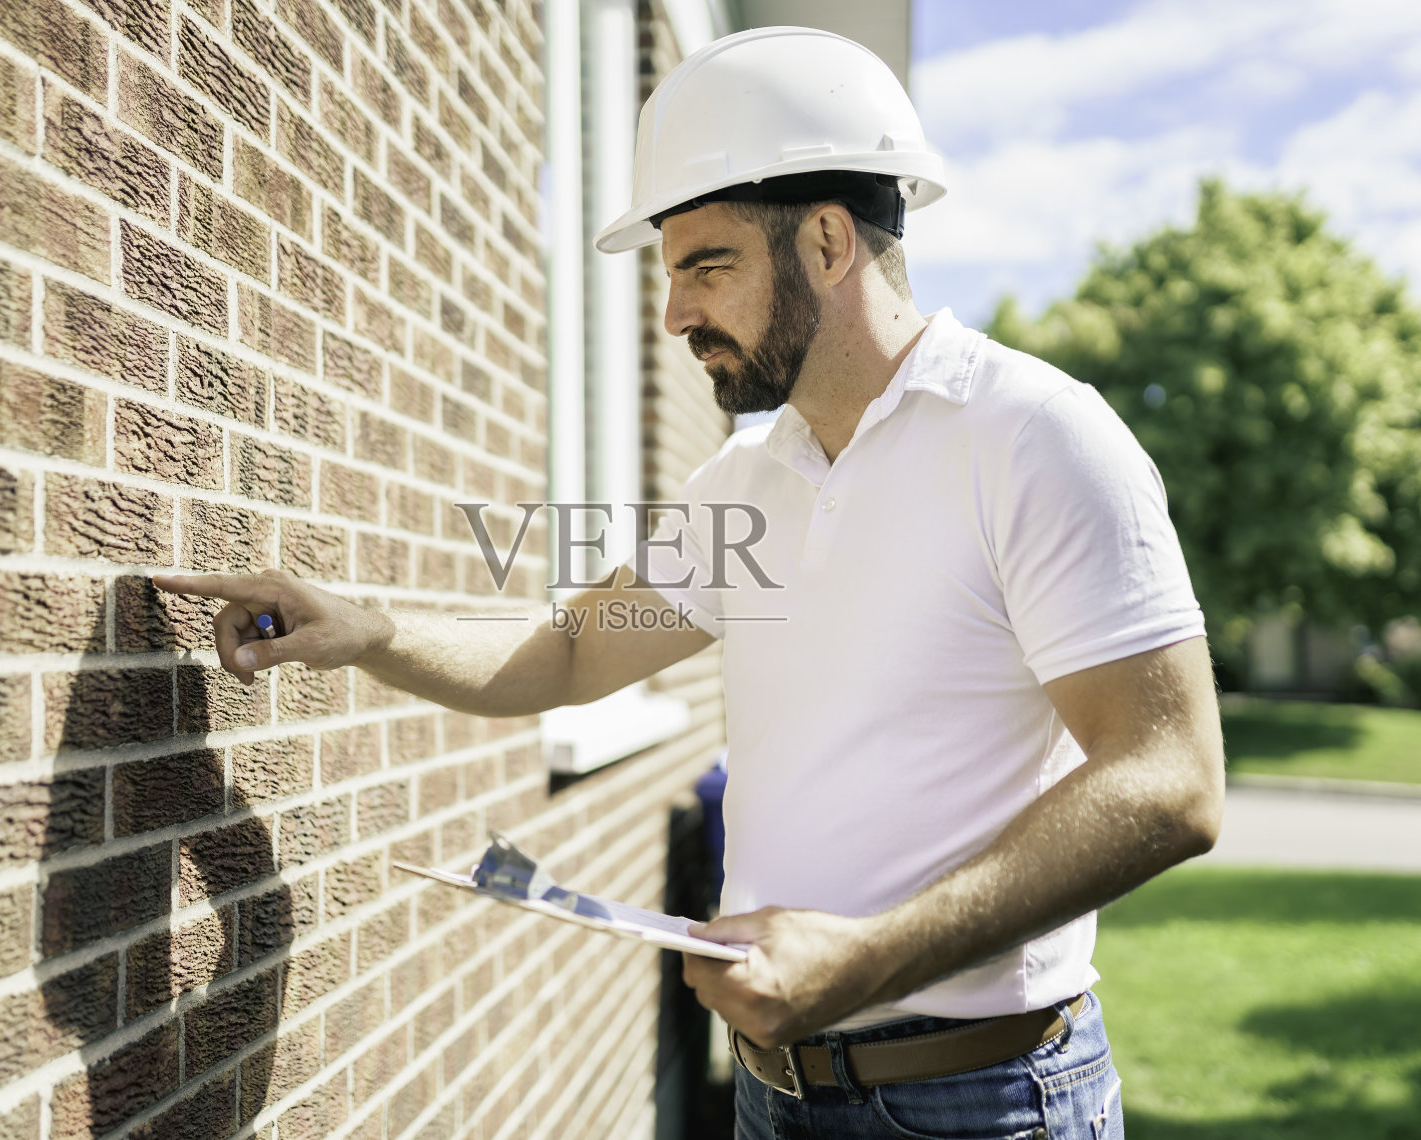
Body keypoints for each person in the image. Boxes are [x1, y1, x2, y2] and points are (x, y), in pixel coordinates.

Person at [155, 26, 1224, 1140]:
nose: (674, 315)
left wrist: (869, 957)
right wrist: (369, 632)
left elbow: (1169, 779)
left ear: (826, 241)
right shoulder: (745, 483)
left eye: (706, 266)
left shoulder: (1032, 437)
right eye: (670, 274)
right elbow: (573, 649)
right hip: (772, 1094)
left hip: (979, 1102)